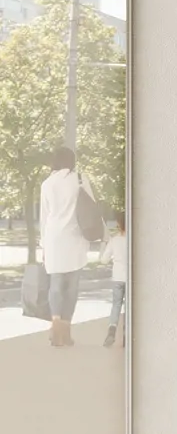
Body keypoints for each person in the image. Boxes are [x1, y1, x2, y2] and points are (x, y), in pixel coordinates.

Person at [39, 145, 92, 348]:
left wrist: (43, 245)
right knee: (72, 288)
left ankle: (56, 328)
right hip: (76, 238)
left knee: (56, 285)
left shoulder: (47, 184)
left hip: (53, 239)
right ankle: (66, 332)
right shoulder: (80, 179)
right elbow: (92, 207)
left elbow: (44, 217)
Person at [101, 210, 127, 347]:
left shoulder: (114, 240)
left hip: (117, 278)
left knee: (116, 305)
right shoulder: (134, 240)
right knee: (129, 308)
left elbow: (104, 260)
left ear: (118, 224)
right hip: (130, 279)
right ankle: (126, 335)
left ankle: (111, 330)